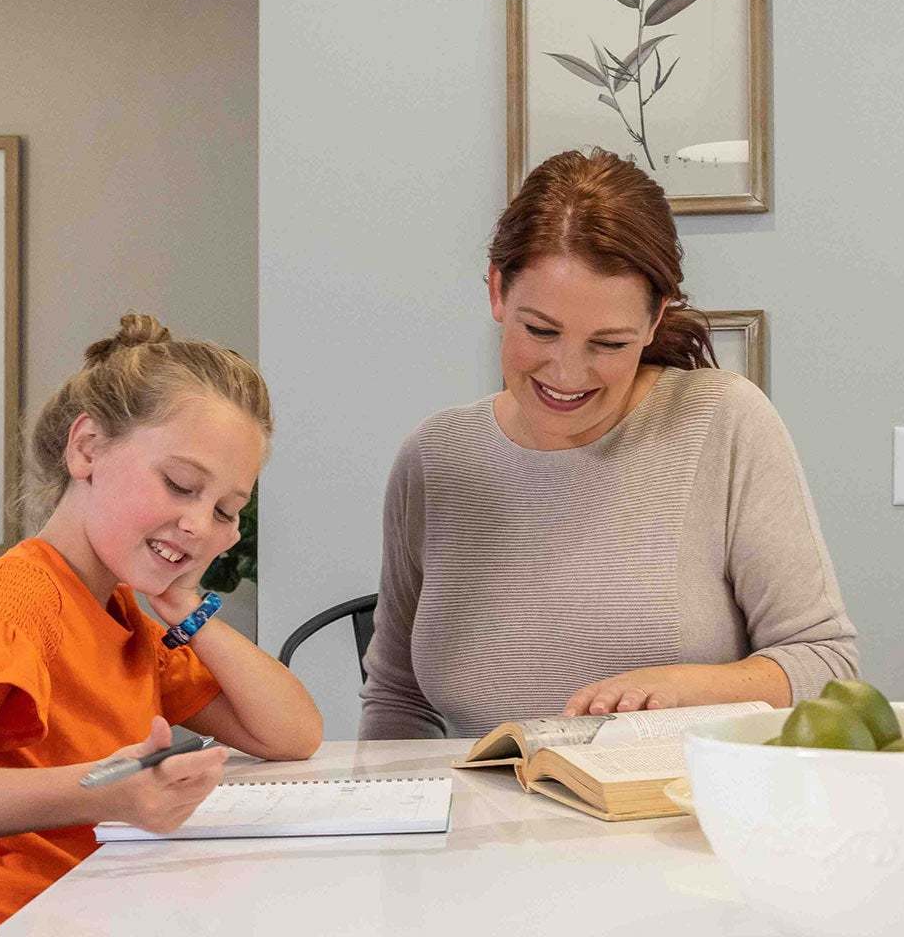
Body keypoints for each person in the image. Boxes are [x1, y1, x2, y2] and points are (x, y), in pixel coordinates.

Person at [361, 149, 859, 739]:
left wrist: (682, 689)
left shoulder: (724, 422)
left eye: (609, 343)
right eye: (540, 330)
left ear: (654, 320)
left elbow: (826, 665)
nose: (567, 373)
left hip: (670, 796)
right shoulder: (434, 457)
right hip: (479, 800)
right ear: (496, 290)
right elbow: (397, 697)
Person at [0, 314, 322, 937]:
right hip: (13, 918)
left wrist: (189, 608)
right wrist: (105, 792)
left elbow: (292, 734)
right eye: (180, 484)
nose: (199, 524)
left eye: (225, 510)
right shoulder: (21, 597)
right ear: (86, 448)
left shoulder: (126, 617)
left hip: (103, 905)